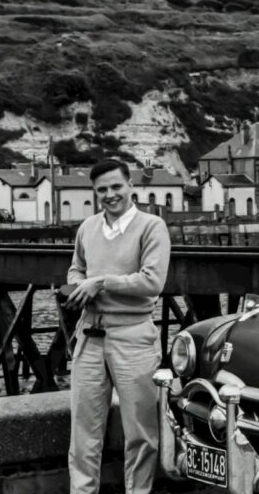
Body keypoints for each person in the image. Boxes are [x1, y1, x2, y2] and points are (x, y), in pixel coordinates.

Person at [65, 158, 171, 494]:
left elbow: (152, 282)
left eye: (116, 187)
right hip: (90, 336)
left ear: (130, 186)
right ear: (95, 193)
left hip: (133, 337)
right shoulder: (87, 228)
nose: (110, 195)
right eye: (102, 190)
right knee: (83, 433)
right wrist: (79, 284)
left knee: (141, 433)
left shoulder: (153, 227)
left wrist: (100, 283)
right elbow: (75, 269)